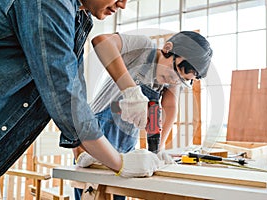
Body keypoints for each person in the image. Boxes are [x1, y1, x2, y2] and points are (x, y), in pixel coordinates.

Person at [0, 0, 162, 181]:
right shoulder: (49, 4)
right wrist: (118, 162)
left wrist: (88, 152)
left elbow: (76, 92)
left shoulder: (79, 18)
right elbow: (63, 89)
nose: (123, 5)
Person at [73, 31, 213, 199]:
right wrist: (130, 90)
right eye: (176, 72)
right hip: (98, 130)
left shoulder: (173, 79)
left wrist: (157, 149)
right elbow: (101, 42)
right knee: (92, 193)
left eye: (182, 79)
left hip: (127, 141)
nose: (173, 80)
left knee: (118, 192)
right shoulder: (143, 48)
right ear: (168, 49)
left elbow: (169, 106)